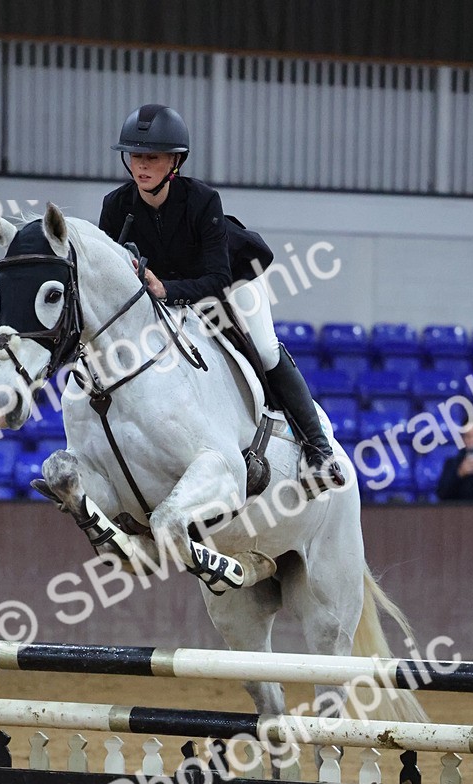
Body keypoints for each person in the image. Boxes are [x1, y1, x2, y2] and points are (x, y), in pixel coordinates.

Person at [98, 103, 344, 492]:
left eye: (153, 157)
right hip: (162, 295)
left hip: (229, 281)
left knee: (265, 349)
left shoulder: (202, 200)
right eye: (135, 156)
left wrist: (166, 289)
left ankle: (319, 451)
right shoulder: (115, 206)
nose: (141, 165)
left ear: (175, 161)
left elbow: (217, 278)